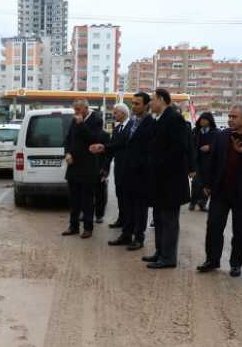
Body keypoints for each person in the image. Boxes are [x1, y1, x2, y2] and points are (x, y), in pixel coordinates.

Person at [197, 105, 242, 277]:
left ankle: (236, 264)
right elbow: (212, 160)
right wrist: (207, 184)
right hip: (220, 191)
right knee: (214, 227)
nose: (230, 119)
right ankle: (212, 260)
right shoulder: (221, 135)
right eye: (230, 116)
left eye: (234, 117)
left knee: (241, 231)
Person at [91, 93, 154, 250]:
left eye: (137, 103)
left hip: (142, 173)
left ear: (147, 105)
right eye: (133, 103)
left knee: (140, 207)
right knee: (128, 205)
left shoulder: (151, 123)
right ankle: (126, 234)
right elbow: (123, 143)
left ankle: (138, 238)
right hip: (128, 171)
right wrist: (104, 147)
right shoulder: (133, 121)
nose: (134, 106)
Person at [143, 88, 190, 269]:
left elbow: (178, 149)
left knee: (169, 220)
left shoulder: (174, 118)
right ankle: (160, 252)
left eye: (153, 99)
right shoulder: (159, 118)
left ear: (161, 99)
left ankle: (168, 257)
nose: (150, 103)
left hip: (170, 181)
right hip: (159, 181)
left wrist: (159, 164)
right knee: (159, 218)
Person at [63, 99, 105, 239]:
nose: (76, 112)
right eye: (74, 109)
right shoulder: (74, 119)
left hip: (88, 167)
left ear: (86, 108)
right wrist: (67, 153)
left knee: (87, 199)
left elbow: (94, 139)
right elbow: (68, 139)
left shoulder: (96, 120)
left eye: (78, 109)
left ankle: (88, 228)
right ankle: (73, 226)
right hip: (73, 165)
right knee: (73, 199)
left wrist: (81, 124)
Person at [105, 103, 132, 229]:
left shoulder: (133, 126)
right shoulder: (116, 129)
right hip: (119, 168)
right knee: (120, 194)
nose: (113, 115)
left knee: (128, 197)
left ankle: (129, 222)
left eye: (115, 112)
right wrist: (105, 167)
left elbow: (120, 144)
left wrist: (103, 147)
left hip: (130, 168)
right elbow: (112, 150)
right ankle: (121, 219)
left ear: (123, 113)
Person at [190, 112, 218, 211]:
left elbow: (219, 145)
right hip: (197, 161)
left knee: (207, 183)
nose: (202, 121)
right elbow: (190, 145)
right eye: (201, 119)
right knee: (196, 182)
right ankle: (193, 202)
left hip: (209, 161)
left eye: (205, 120)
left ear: (210, 121)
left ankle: (202, 203)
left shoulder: (216, 132)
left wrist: (210, 147)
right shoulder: (195, 131)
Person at [94, 129, 111, 224]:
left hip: (100, 168)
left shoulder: (105, 135)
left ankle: (99, 215)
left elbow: (108, 154)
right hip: (87, 168)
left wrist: (105, 169)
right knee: (86, 192)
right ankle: (85, 212)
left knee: (100, 193)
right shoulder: (85, 132)